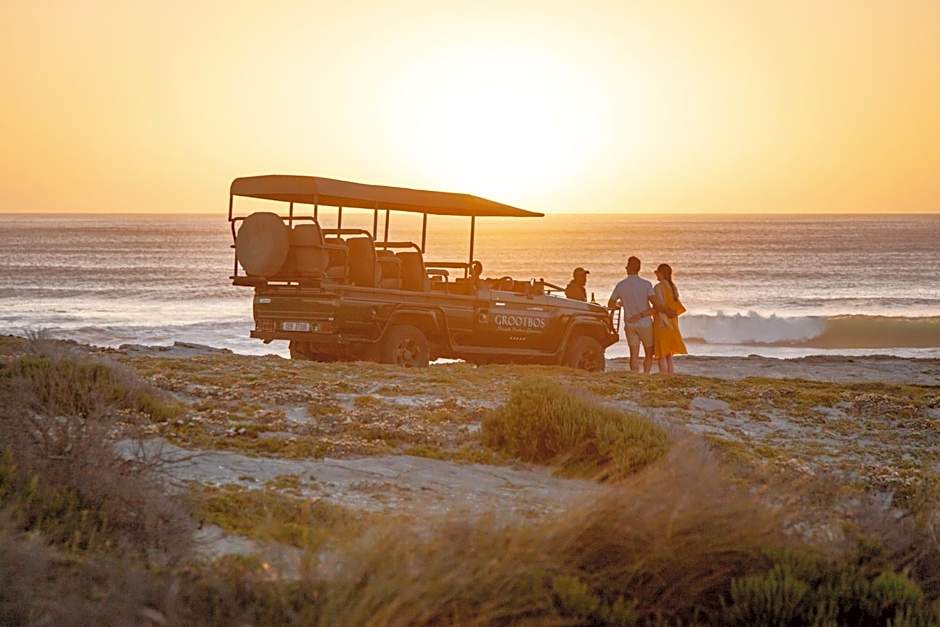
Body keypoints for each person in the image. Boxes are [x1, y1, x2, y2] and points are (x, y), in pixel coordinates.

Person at [607, 256, 656, 373]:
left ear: (628, 268)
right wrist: (641, 315)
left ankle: (635, 375)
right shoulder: (646, 284)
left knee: (633, 354)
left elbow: (610, 303)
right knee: (649, 352)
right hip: (645, 324)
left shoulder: (621, 285)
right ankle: (646, 375)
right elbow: (655, 307)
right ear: (639, 268)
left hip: (629, 324)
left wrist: (623, 303)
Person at [649, 263, 687, 375]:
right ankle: (670, 375)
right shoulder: (672, 287)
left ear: (661, 274)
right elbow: (676, 309)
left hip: (662, 324)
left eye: (657, 273)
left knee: (661, 354)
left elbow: (659, 307)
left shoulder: (658, 287)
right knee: (668, 354)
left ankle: (664, 376)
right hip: (673, 324)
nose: (656, 275)